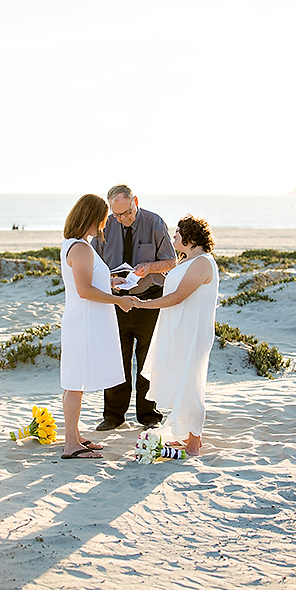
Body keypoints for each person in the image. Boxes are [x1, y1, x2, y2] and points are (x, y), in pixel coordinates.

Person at [91, 184, 177, 431]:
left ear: (135, 202)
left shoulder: (154, 222)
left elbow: (172, 262)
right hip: (115, 302)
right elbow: (94, 265)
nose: (121, 219)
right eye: (116, 215)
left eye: (126, 213)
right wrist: (109, 281)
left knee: (148, 358)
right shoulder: (105, 226)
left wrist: (149, 267)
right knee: (116, 357)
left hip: (149, 300)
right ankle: (113, 416)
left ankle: (149, 415)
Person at [133, 215, 219, 456]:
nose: (174, 236)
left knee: (191, 382)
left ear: (191, 237)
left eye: (179, 232)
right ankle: (189, 435)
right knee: (182, 379)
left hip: (192, 332)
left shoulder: (202, 262)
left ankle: (194, 443)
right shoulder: (185, 261)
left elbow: (177, 297)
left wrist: (140, 304)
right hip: (179, 330)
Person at [59, 194, 134, 459]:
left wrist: (110, 283)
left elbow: (90, 283)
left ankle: (75, 436)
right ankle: (70, 444)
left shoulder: (77, 244)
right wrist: (118, 300)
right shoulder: (79, 248)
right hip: (84, 323)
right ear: (90, 217)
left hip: (85, 320)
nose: (102, 226)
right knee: (75, 381)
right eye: (101, 219)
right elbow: (84, 290)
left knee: (74, 381)